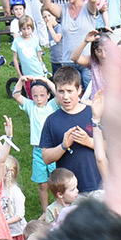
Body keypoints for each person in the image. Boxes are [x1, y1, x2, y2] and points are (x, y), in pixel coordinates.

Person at [38, 65, 101, 196]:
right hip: (69, 192)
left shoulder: (94, 114)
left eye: (70, 91)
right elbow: (46, 158)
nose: (65, 96)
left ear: (79, 90)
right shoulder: (52, 121)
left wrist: (88, 141)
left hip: (99, 185)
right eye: (61, 91)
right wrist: (63, 146)